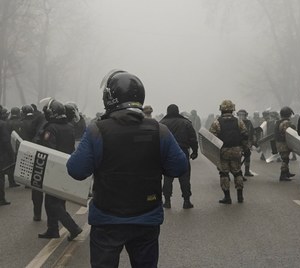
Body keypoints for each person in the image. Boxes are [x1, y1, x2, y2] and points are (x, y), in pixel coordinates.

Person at [67, 70, 188, 267]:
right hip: (146, 218)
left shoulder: (97, 131)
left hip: (107, 219)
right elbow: (179, 167)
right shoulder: (159, 130)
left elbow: (76, 170)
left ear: (109, 98)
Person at [36, 98, 83, 240]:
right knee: (57, 200)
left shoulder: (51, 128)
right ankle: (52, 229)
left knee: (52, 202)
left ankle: (73, 227)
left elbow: (49, 149)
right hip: (65, 166)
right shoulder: (69, 126)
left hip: (53, 168)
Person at [209, 100, 249, 204]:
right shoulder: (239, 121)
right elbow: (245, 135)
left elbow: (212, 138)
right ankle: (240, 196)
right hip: (236, 150)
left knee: (224, 173)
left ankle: (227, 197)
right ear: (232, 109)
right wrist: (245, 148)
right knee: (238, 172)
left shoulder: (216, 122)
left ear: (221, 109)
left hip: (223, 151)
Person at [160, 104, 199, 209]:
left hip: (168, 154)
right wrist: (195, 151)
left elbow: (158, 140)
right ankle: (186, 201)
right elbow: (192, 139)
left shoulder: (162, 124)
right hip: (182, 152)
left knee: (168, 178)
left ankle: (167, 201)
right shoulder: (186, 123)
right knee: (185, 177)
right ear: (178, 111)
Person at [274, 106, 296, 181]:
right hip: (283, 143)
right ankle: (283, 175)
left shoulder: (279, 121)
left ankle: (287, 172)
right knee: (285, 159)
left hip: (280, 143)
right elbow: (288, 133)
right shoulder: (286, 122)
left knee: (286, 158)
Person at [5, 107, 23, 187]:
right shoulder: (20, 122)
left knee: (10, 162)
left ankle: (11, 180)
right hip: (18, 144)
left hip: (8, 144)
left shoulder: (7, 122)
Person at [237, 109, 255, 178]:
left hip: (247, 143)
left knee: (247, 157)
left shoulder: (249, 123)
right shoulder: (236, 122)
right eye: (240, 114)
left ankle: (247, 171)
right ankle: (239, 172)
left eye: (243, 114)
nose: (241, 116)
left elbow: (252, 132)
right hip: (239, 143)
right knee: (238, 158)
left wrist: (252, 142)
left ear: (246, 115)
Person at [0, 107, 11, 206]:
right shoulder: (2, 124)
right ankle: (1, 199)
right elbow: (6, 141)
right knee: (0, 177)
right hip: (1, 154)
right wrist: (10, 153)